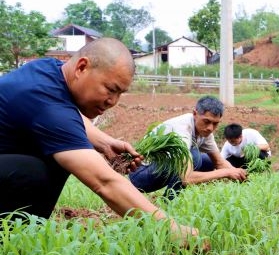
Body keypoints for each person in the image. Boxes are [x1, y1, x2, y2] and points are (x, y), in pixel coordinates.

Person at [0, 38, 197, 238]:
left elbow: (65, 117)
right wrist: (172, 230)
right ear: (82, 67)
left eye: (120, 93)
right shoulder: (45, 102)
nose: (113, 101)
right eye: (111, 90)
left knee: (54, 158)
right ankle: (12, 240)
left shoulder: (48, 71)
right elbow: (105, 182)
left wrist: (104, 143)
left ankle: (24, 235)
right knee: (31, 172)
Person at [129, 95, 247, 196]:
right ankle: (170, 202)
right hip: (140, 175)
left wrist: (238, 173)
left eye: (215, 124)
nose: (210, 128)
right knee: (193, 156)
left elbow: (219, 162)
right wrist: (225, 173)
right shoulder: (183, 128)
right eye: (206, 121)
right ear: (195, 114)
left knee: (207, 160)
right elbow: (186, 178)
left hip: (158, 170)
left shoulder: (205, 132)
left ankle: (186, 196)